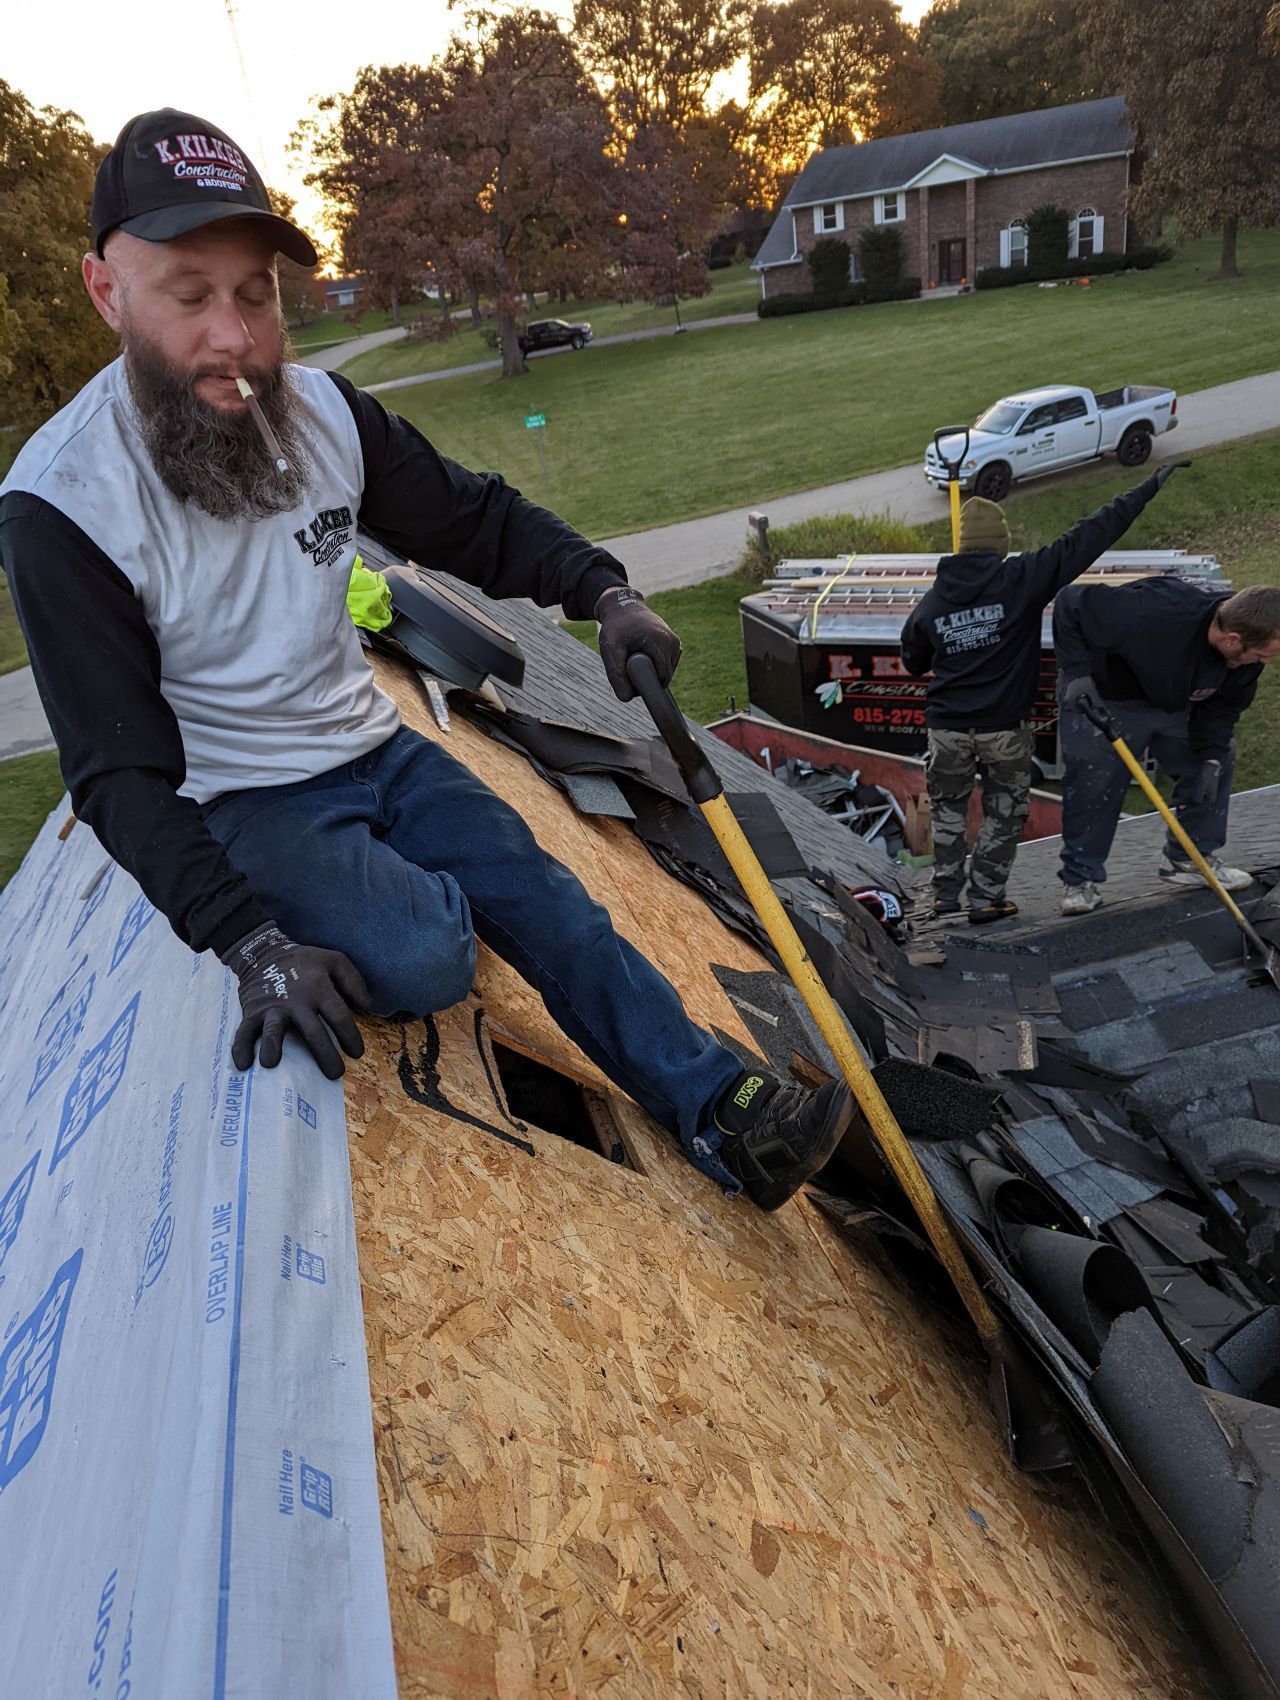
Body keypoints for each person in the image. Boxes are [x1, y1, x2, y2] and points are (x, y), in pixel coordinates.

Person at [0, 108, 853, 1213]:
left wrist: (604, 591)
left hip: (370, 744)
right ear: (107, 292)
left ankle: (719, 1113)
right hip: (244, 798)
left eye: (254, 294)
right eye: (188, 292)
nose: (233, 337)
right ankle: (397, 904)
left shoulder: (319, 415)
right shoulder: (63, 503)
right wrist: (250, 940)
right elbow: (116, 776)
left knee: (556, 902)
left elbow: (475, 522)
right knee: (428, 959)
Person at [901, 469, 1183, 924]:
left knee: (949, 811)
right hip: (1003, 730)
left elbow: (913, 659)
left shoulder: (933, 603)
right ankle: (986, 899)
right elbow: (1087, 537)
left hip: (947, 731)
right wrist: (1145, 489)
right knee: (1004, 811)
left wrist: (955, 645)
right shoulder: (1022, 577)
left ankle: (944, 897)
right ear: (1000, 544)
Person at [1053, 580, 1280, 915]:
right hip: (1106, 695)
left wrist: (1211, 758)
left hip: (1172, 702)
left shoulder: (1245, 661)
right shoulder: (1151, 613)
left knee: (1217, 757)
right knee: (1095, 781)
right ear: (1233, 639)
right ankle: (1080, 881)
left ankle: (1188, 861)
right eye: (1261, 655)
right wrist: (1076, 674)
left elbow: (1222, 711)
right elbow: (1070, 601)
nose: (1265, 662)